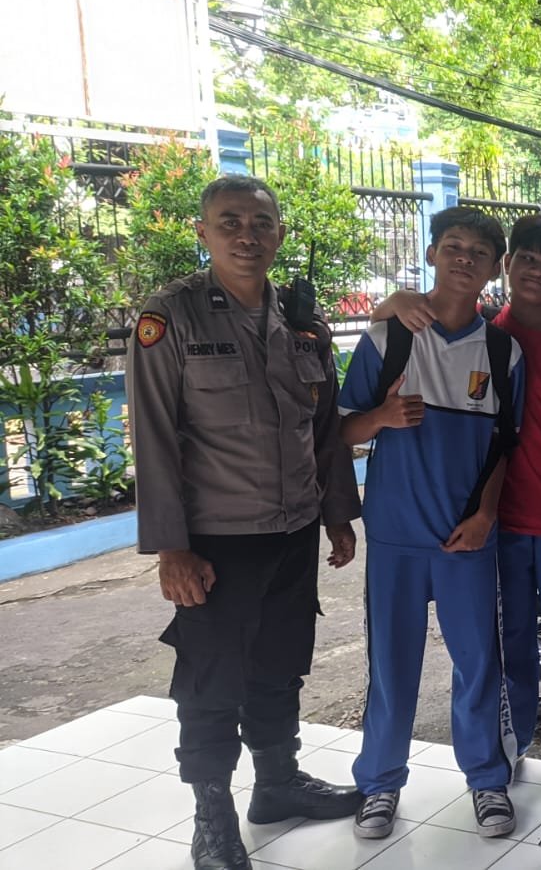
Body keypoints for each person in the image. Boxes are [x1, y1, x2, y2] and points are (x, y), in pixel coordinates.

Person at [128, 175, 363, 870]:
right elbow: (154, 435)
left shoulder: (301, 321)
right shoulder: (171, 317)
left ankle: (277, 782)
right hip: (215, 542)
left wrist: (337, 516)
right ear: (202, 232)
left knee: (280, 665)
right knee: (210, 681)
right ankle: (212, 817)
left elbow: (323, 429)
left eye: (260, 223)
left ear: (279, 233)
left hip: (292, 532)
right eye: (229, 222)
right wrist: (171, 548)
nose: (246, 235)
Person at [372, 215, 541, 776]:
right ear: (508, 264)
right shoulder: (485, 333)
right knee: (506, 642)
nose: (537, 272)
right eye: (528, 259)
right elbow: (403, 327)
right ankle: (509, 744)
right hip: (497, 525)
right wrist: (391, 302)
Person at [337, 207, 527, 841]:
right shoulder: (388, 337)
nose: (464, 259)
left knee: (478, 663)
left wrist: (486, 514)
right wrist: (381, 418)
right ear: (432, 253)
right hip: (395, 535)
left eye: (479, 252)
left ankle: (487, 779)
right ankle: (379, 784)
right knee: (391, 665)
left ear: (495, 267)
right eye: (453, 246)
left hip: (465, 538)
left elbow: (505, 445)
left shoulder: (502, 351)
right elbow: (340, 430)